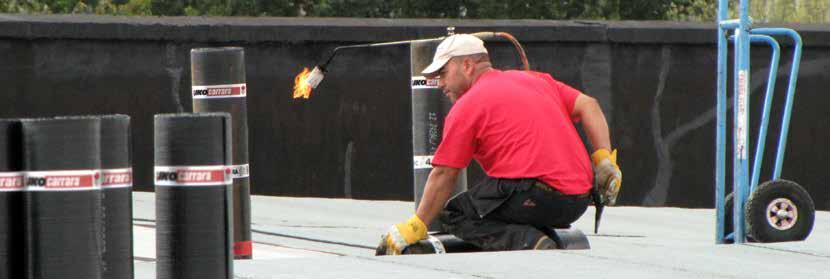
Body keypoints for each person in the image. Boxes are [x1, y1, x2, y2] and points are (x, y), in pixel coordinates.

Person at [381, 34, 622, 254]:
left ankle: (530, 241)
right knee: (497, 201)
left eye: (443, 74)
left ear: (467, 65)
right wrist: (603, 162)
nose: (440, 84)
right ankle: (536, 237)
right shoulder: (536, 80)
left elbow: (444, 174)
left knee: (453, 214)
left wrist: (416, 225)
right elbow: (589, 105)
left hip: (535, 196)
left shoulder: (467, 106)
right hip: (577, 202)